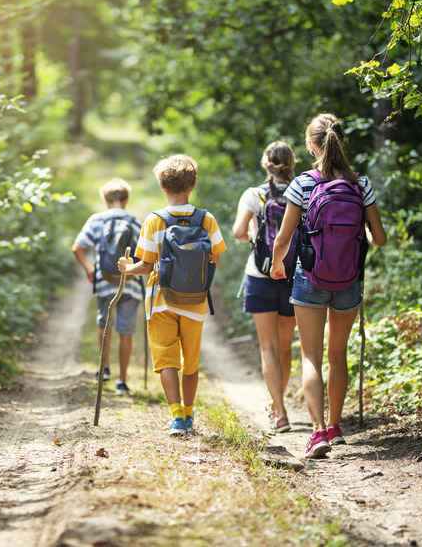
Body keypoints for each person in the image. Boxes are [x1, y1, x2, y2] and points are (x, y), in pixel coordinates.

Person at [270, 113, 387, 458]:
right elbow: (379, 238)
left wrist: (278, 265)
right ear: (341, 140)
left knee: (310, 356)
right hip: (349, 280)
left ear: (310, 144)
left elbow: (283, 238)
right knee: (338, 355)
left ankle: (317, 431)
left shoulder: (303, 183)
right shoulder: (360, 183)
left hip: (310, 277)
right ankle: (336, 428)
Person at [118, 155, 228, 436]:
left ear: (161, 186)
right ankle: (190, 414)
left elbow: (145, 265)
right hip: (195, 301)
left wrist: (126, 268)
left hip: (161, 300)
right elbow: (215, 257)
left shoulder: (154, 220)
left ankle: (177, 416)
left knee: (167, 359)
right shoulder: (207, 219)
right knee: (190, 362)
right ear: (192, 185)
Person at [231, 141, 298, 434]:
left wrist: (254, 240)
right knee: (285, 347)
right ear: (292, 164)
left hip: (260, 276)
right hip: (293, 275)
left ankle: (279, 412)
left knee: (267, 347)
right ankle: (277, 404)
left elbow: (238, 232)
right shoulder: (302, 191)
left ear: (265, 165)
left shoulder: (254, 194)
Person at [72, 178, 144, 395]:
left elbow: (77, 247)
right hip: (130, 284)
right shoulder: (135, 222)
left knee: (105, 324)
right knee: (126, 330)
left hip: (104, 282)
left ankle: (104, 369)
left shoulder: (96, 221)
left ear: (105, 200)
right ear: (126, 199)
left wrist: (88, 269)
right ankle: (122, 380)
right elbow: (147, 254)